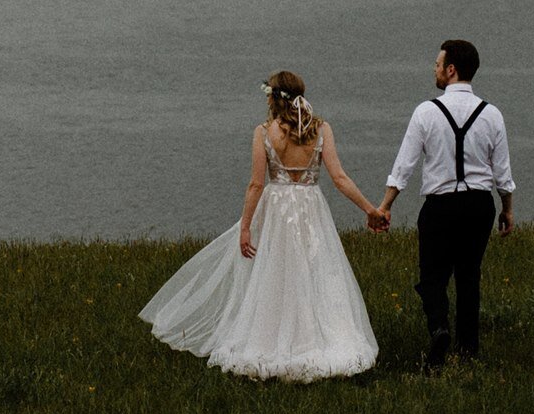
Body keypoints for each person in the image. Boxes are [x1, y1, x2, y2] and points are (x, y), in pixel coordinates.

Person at [138, 70, 385, 381]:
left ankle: (272, 338)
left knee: (277, 273)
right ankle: (318, 338)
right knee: (315, 270)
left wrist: (246, 227)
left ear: (273, 97)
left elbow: (256, 184)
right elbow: (339, 178)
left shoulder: (264, 132)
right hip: (311, 210)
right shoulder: (321, 130)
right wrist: (370, 209)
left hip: (278, 211)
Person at [375, 38, 514, 368]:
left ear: (451, 70)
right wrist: (507, 208)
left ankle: (438, 329)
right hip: (479, 205)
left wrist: (386, 205)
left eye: (437, 65)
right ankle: (468, 350)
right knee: (469, 277)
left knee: (432, 277)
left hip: (440, 206)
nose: (434, 70)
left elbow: (404, 165)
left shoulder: (426, 112)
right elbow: (502, 172)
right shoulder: (492, 114)